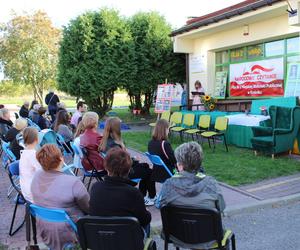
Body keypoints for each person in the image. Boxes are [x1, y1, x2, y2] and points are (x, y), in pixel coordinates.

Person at [31, 144, 90, 249]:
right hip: (71, 233)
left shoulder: (36, 177)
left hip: (46, 231)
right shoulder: (73, 182)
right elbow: (89, 208)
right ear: (60, 159)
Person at [89, 147, 151, 242]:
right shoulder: (133, 193)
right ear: (129, 169)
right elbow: (145, 220)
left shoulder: (95, 188)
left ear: (106, 167)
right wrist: (146, 212)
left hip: (101, 239)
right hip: (127, 241)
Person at [99, 117, 156, 206]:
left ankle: (148, 196)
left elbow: (120, 160)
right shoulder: (115, 146)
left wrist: (132, 159)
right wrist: (133, 159)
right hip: (124, 173)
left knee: (145, 166)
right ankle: (145, 197)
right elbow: (123, 163)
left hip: (116, 171)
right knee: (148, 171)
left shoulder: (105, 141)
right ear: (116, 128)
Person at [157, 141, 225, 211]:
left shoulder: (169, 185)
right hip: (204, 221)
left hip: (177, 221)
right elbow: (221, 207)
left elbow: (161, 207)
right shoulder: (211, 184)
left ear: (180, 165)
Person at [19, 127, 41, 202]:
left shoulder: (24, 152)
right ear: (36, 139)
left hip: (25, 189)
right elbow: (42, 173)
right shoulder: (33, 154)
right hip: (32, 193)